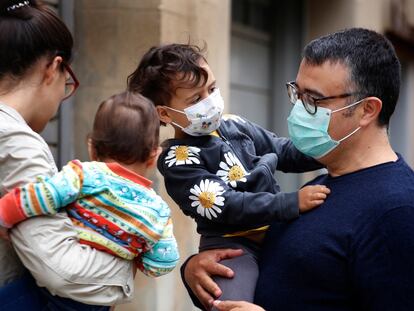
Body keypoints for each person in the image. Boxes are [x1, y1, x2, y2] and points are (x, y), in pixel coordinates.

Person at [183, 27, 414, 311]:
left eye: (313, 100)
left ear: (367, 110)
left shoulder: (397, 211)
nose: (299, 111)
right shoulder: (321, 185)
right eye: (298, 93)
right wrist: (195, 269)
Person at [127, 43, 330, 308]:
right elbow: (226, 204)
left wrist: (326, 150)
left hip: (277, 231)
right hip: (233, 248)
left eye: (211, 89)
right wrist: (290, 203)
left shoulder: (234, 123)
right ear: (164, 113)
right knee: (231, 304)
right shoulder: (177, 160)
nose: (209, 102)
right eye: (195, 99)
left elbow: (281, 149)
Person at [0, 1, 134, 310]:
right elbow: (64, 274)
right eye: (67, 80)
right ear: (52, 68)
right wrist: (132, 260)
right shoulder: (18, 141)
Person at [0, 91, 179, 277]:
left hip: (56, 284)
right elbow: (163, 263)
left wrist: (4, 214)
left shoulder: (83, 176)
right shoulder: (160, 212)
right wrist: (137, 255)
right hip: (101, 301)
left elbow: (42, 195)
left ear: (92, 148)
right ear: (152, 158)